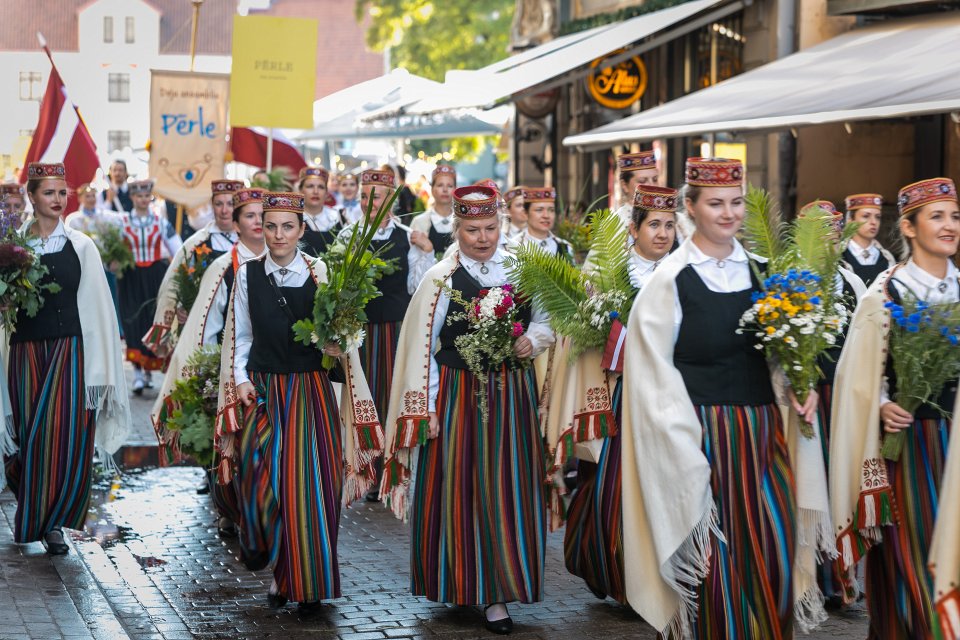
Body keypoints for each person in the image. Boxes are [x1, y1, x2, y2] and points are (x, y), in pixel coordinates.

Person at [619, 158, 818, 638]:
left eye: (735, 203)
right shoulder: (668, 282)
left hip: (763, 433)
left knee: (774, 549)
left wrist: (798, 384)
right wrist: (683, 448)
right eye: (715, 204)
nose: (728, 214)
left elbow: (780, 355)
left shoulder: (767, 275)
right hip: (700, 438)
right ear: (691, 207)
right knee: (718, 564)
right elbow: (652, 378)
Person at [380, 185, 554, 635]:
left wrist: (531, 340)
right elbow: (422, 346)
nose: (483, 237)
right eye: (473, 229)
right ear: (456, 228)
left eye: (491, 227)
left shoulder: (519, 267)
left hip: (512, 393)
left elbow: (546, 319)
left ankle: (500, 591)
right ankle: (461, 580)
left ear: (502, 224)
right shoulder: (440, 277)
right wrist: (430, 407)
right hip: (459, 394)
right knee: (461, 486)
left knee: (508, 486)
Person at [214, 191, 382, 614]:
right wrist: (239, 381)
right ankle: (270, 558)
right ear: (260, 228)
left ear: (302, 230)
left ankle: (302, 583)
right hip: (265, 389)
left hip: (310, 392)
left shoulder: (320, 271)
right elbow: (241, 336)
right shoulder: (247, 275)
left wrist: (335, 344)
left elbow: (345, 335)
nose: (278, 234)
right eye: (270, 225)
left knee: (309, 488)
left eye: (288, 226)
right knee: (259, 480)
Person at [830, 177, 959, 640]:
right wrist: (883, 404)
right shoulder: (885, 295)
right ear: (908, 226)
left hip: (957, 444)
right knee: (915, 554)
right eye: (937, 216)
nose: (949, 226)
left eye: (955, 216)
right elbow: (856, 378)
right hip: (913, 448)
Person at [558, 184, 678, 605]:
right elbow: (580, 334)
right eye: (654, 225)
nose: (662, 234)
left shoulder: (683, 272)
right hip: (621, 395)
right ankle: (620, 574)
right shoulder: (611, 273)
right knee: (616, 485)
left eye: (669, 225)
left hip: (671, 395)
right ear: (634, 228)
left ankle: (662, 578)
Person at [4, 162, 129, 555]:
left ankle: (52, 522)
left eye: (62, 193)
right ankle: (25, 489)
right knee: (30, 434)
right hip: (25, 350)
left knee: (64, 434)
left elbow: (98, 306)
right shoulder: (12, 246)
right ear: (32, 197)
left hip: (71, 349)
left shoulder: (81, 245)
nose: (58, 200)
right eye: (49, 193)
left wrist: (102, 365)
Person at [153, 187, 266, 537]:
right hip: (230, 366)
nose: (259, 223)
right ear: (236, 223)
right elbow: (207, 325)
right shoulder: (221, 265)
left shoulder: (285, 261)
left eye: (264, 216)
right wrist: (205, 370)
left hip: (270, 368)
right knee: (229, 441)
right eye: (250, 215)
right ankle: (229, 508)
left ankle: (260, 508)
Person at [337, 168, 435, 501]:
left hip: (394, 329)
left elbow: (416, 287)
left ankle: (392, 469)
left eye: (375, 195)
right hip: (359, 331)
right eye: (364, 196)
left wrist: (425, 252)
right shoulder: (348, 235)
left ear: (390, 198)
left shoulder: (407, 236)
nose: (368, 202)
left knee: (390, 395)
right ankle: (365, 467)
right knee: (364, 398)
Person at [143, 180, 242, 359]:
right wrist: (183, 307)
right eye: (219, 204)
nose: (225, 210)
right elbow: (175, 282)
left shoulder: (251, 241)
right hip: (205, 322)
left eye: (231, 204)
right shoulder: (197, 243)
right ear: (212, 206)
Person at [118, 180, 183, 394]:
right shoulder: (122, 222)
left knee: (151, 320)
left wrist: (181, 273)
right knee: (132, 321)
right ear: (133, 198)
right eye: (139, 196)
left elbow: (178, 249)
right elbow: (112, 250)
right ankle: (137, 372)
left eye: (147, 196)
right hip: (131, 276)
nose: (143, 200)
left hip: (155, 275)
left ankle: (148, 371)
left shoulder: (161, 222)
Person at [65, 184, 124, 331]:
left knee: (108, 300)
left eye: (93, 196)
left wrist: (116, 257)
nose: (91, 199)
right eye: (87, 196)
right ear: (80, 198)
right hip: (83, 268)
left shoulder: (106, 217)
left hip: (105, 266)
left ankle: (112, 330)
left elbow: (118, 235)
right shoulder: (74, 220)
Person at [841, 193, 896, 287]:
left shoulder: (887, 259)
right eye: (866, 216)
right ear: (850, 221)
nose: (874, 222)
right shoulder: (839, 257)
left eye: (878, 217)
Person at [507, 187, 574, 263]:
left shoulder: (565, 247)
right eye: (539, 210)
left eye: (551, 210)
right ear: (525, 213)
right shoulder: (513, 246)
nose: (546, 215)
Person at [410, 165, 456, 256]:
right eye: (440, 185)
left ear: (455, 189)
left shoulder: (463, 223)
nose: (445, 190)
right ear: (432, 189)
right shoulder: (419, 222)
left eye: (450, 186)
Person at [297, 166, 340, 256]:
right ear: (301, 190)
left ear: (326, 192)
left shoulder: (338, 217)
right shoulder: (294, 218)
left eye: (321, 187)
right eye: (310, 186)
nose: (315, 191)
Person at [614, 150, 658, 228]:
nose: (652, 186)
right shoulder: (615, 224)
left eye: (655, 180)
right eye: (643, 181)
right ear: (624, 185)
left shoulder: (675, 219)